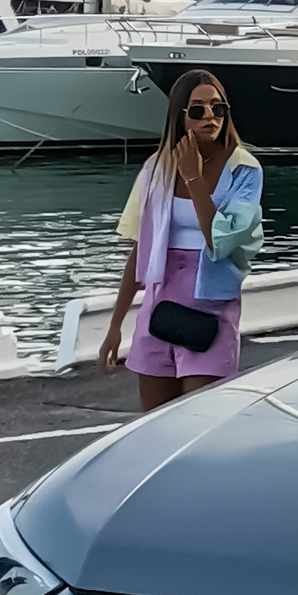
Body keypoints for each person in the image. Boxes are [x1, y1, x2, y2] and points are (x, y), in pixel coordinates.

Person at [98, 70, 263, 408]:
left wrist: (193, 178)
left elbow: (221, 242)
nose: (211, 117)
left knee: (197, 424)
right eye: (198, 109)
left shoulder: (245, 170)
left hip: (211, 313)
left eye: (219, 108)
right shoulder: (155, 168)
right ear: (180, 115)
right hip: (159, 311)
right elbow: (139, 250)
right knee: (153, 427)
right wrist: (115, 325)